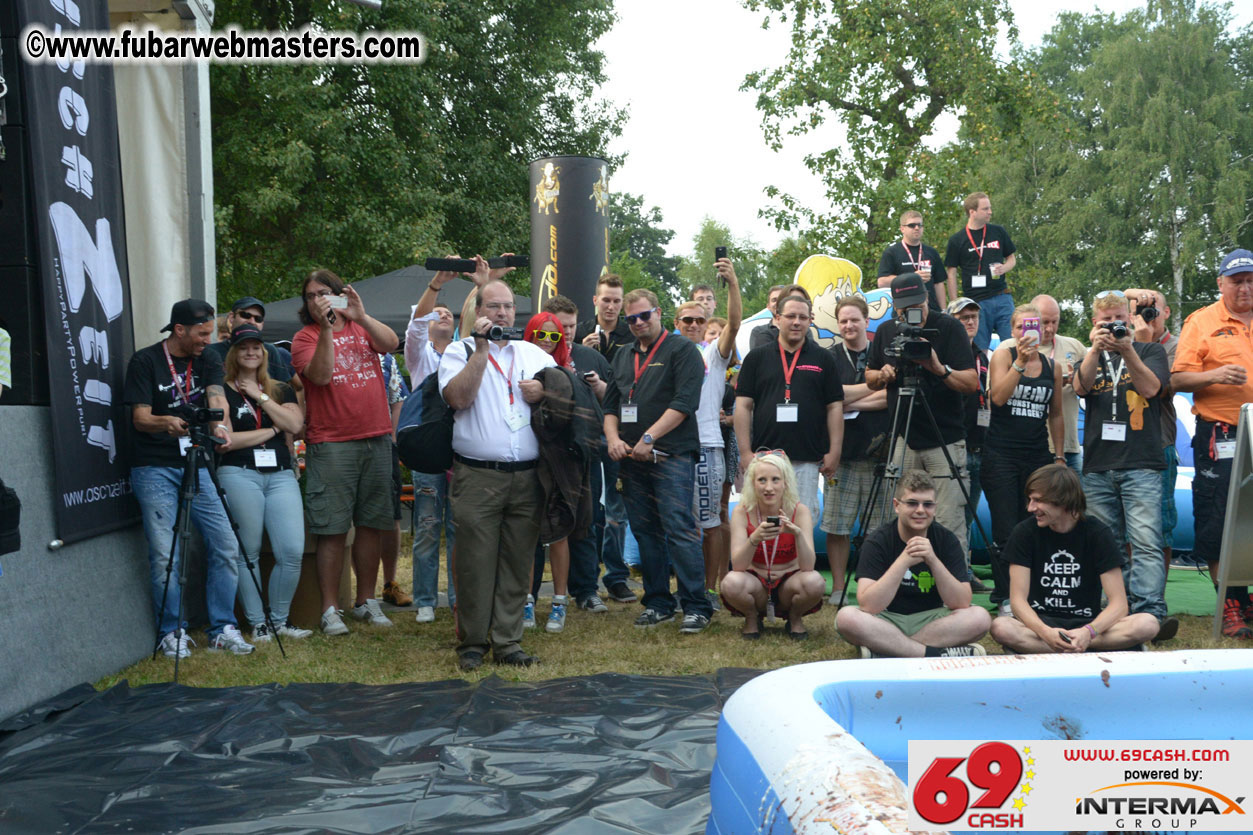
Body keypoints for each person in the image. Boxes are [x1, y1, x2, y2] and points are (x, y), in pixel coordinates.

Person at [439, 268, 556, 670]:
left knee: (517, 561)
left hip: (528, 475)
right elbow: (458, 399)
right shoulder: (458, 352)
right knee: (475, 561)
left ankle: (508, 641)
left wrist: (546, 390)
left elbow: (568, 393)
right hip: (478, 476)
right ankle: (473, 642)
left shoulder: (534, 354)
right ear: (477, 311)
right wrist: (481, 350)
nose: (502, 313)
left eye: (508, 306)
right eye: (494, 306)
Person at [123, 299, 253, 657]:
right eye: (202, 333)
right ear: (179, 330)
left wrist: (220, 426)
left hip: (198, 459)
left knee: (225, 542)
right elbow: (140, 418)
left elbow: (216, 398)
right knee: (165, 552)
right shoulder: (145, 361)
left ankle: (222, 628)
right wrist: (166, 422)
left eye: (210, 333)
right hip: (154, 465)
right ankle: (171, 631)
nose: (208, 340)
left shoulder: (208, 358)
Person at [290, 269, 400, 636]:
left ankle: (366, 601)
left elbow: (391, 343)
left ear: (340, 294)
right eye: (310, 296)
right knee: (333, 529)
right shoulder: (305, 337)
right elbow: (321, 376)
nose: (317, 300)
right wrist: (326, 329)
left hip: (376, 437)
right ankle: (329, 609)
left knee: (371, 524)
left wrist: (361, 316)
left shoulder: (360, 326)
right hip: (332, 443)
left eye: (324, 292)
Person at [603, 288, 712, 633]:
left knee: (679, 528)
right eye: (631, 318)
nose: (637, 323)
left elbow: (685, 403)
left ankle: (696, 606)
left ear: (659, 312)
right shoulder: (623, 355)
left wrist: (650, 438)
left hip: (671, 455)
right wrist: (613, 439)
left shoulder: (683, 350)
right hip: (630, 458)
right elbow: (610, 406)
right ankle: (658, 602)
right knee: (645, 531)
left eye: (643, 315)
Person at [1072, 288, 1175, 640]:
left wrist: (1128, 348)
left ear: (1129, 319)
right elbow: (1080, 387)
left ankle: (1150, 611)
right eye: (1106, 321)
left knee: (1145, 540)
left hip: (1141, 461)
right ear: (1094, 323)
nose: (1113, 325)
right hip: (1098, 463)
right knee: (1107, 543)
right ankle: (1114, 608)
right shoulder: (1090, 355)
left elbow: (1151, 389)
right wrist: (1094, 349)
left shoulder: (1150, 350)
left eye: (1119, 319)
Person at [989, 465, 1160, 653]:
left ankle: (1062, 646)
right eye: (1030, 500)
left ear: (1062, 500)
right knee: (1001, 627)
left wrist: (1088, 632)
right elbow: (1017, 602)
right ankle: (1084, 647)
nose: (1030, 508)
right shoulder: (1024, 533)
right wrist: (1045, 632)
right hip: (1040, 624)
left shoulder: (1097, 533)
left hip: (1088, 624)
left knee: (1147, 623)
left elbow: (1119, 605)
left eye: (1038, 500)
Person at [866, 273, 978, 559]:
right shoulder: (886, 331)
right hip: (903, 436)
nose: (913, 312)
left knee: (949, 518)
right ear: (895, 306)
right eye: (905, 307)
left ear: (927, 296)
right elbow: (870, 376)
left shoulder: (949, 327)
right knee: (900, 516)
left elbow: (971, 383)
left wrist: (938, 368)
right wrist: (882, 375)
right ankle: (901, 576)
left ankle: (955, 576)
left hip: (945, 437)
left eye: (917, 304)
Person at [1172, 248, 1253, 638]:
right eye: (1237, 281)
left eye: (1251, 280)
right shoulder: (1202, 321)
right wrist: (1215, 375)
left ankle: (1248, 599)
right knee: (1219, 516)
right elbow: (1177, 379)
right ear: (1221, 283)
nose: (1245, 288)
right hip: (1222, 432)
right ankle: (1230, 601)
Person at [217, 324, 311, 642]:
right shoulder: (221, 390)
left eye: (256, 347)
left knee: (292, 550)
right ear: (233, 353)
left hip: (281, 474)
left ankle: (279, 620)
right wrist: (272, 429)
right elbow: (227, 441)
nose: (251, 352)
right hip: (238, 472)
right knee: (249, 551)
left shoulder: (280, 389)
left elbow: (295, 424)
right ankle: (258, 623)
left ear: (264, 352)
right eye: (244, 347)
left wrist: (259, 396)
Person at [834, 470, 991, 658]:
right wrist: (903, 561)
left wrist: (933, 560)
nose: (920, 510)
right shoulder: (878, 540)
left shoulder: (947, 539)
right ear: (897, 505)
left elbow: (961, 602)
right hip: (886, 620)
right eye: (912, 503)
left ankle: (888, 651)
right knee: (846, 618)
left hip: (934, 620)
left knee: (980, 617)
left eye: (928, 504)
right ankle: (930, 653)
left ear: (935, 508)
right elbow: (869, 606)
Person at [981, 304, 1065, 611]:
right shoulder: (1003, 356)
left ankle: (1034, 593)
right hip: (1001, 454)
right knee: (1006, 528)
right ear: (1013, 331)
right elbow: (998, 398)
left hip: (1037, 455)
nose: (1027, 332)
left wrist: (1059, 456)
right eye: (1021, 327)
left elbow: (1056, 413)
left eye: (1034, 327)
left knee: (1037, 524)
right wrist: (1019, 362)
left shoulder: (1052, 367)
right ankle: (1006, 596)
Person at [735, 293, 843, 515]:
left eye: (803, 317)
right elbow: (743, 406)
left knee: (802, 521)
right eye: (791, 316)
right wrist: (745, 452)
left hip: (807, 458)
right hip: (765, 457)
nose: (796, 322)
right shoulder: (756, 358)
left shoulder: (824, 358)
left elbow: (834, 407)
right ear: (777, 318)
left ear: (810, 320)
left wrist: (835, 451)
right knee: (764, 521)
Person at [676, 257, 743, 608]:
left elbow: (734, 323)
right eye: (687, 320)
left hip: (706, 446)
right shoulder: (666, 352)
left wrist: (732, 283)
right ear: (677, 324)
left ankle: (710, 588)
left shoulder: (713, 355)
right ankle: (685, 587)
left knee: (710, 521)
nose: (693, 324)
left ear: (705, 326)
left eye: (699, 320)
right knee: (678, 524)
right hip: (671, 449)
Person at [543, 295, 614, 615]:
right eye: (561, 326)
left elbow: (614, 402)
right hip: (544, 453)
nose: (568, 332)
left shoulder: (591, 357)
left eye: (572, 326)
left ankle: (586, 589)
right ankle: (529, 593)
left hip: (586, 453)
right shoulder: (532, 354)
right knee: (540, 524)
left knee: (587, 522)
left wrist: (599, 387)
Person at [821, 295, 890, 598]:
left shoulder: (882, 354)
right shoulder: (829, 357)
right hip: (841, 455)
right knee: (837, 526)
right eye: (843, 321)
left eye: (854, 319)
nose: (849, 325)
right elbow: (828, 397)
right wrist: (870, 389)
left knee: (881, 528)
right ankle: (838, 587)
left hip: (880, 454)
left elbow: (890, 397)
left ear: (866, 320)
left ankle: (874, 587)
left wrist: (846, 400)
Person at [573, 273, 634, 604]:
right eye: (605, 300)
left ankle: (616, 576)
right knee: (587, 509)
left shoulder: (631, 334)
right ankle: (586, 579)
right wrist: (583, 351)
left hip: (618, 432)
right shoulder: (578, 331)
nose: (611, 306)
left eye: (616, 301)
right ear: (595, 301)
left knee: (616, 510)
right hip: (583, 431)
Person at [405, 272, 460, 625]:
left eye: (449, 314)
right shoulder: (419, 354)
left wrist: (486, 280)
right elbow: (414, 326)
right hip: (427, 453)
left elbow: (476, 316)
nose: (443, 315)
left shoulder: (462, 353)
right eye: (436, 313)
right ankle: (425, 600)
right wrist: (435, 287)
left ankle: (457, 598)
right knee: (427, 527)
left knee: (458, 528)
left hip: (459, 452)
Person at [724, 452, 824, 639]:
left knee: (815, 582)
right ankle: (752, 617)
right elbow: (737, 566)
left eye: (775, 480)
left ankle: (795, 617)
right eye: (762, 480)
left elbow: (808, 566)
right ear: (753, 484)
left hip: (789, 584)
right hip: (756, 584)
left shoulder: (800, 511)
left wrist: (797, 534)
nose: (768, 487)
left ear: (785, 483)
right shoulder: (741, 511)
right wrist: (754, 539)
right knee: (731, 582)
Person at [523, 310, 577, 632]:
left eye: (553, 335)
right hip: (525, 461)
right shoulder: (516, 365)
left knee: (558, 533)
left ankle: (559, 602)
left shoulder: (566, 371)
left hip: (557, 463)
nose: (546, 340)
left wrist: (546, 393)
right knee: (527, 534)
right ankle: (526, 602)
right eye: (540, 334)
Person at [1125, 287, 1179, 568]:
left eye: (1153, 310)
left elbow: (1159, 389)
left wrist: (1143, 345)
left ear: (1166, 312)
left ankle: (1157, 589)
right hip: (1125, 447)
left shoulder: (1176, 346)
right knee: (1124, 525)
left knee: (1161, 524)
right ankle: (1126, 589)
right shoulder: (1122, 339)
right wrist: (1134, 294)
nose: (1148, 316)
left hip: (1160, 444)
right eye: (1141, 311)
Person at [944, 192, 1017, 350]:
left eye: (990, 208)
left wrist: (1004, 267)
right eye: (985, 209)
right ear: (972, 212)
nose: (990, 212)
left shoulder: (998, 232)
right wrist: (955, 303)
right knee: (978, 348)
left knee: (1013, 345)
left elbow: (1012, 259)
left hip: (1002, 297)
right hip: (976, 302)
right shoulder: (957, 240)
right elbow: (951, 272)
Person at [1029, 294, 1086, 472]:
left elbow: (1091, 384)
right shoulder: (1012, 348)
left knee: (1076, 491)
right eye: (1044, 322)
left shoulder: (1074, 347)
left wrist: (1077, 380)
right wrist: (1052, 382)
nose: (1050, 328)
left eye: (1055, 322)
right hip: (1030, 447)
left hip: (1069, 447)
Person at [206, 296, 294, 383]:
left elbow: (286, 388)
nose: (252, 321)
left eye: (258, 319)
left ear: (262, 324)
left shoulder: (271, 351)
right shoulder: (211, 352)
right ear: (231, 317)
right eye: (246, 315)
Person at [878, 210, 945, 311]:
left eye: (920, 225)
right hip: (904, 309)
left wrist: (944, 310)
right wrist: (911, 277)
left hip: (931, 309)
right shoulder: (892, 252)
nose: (917, 228)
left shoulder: (931, 252)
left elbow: (939, 283)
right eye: (912, 225)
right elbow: (882, 282)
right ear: (902, 229)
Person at [747, 284, 788, 351]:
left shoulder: (800, 330)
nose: (778, 303)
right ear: (768, 306)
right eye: (774, 300)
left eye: (782, 299)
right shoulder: (759, 332)